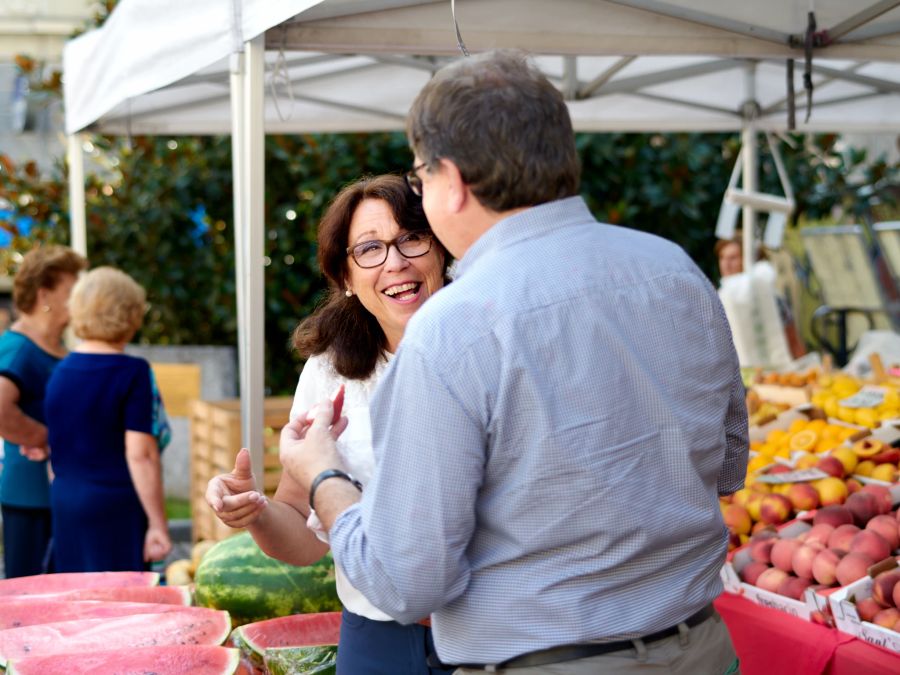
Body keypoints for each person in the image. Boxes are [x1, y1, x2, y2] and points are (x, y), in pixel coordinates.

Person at [280, 50, 748, 674]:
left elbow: (407, 580)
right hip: (701, 649)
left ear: (454, 180)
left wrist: (322, 477)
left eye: (421, 176)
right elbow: (729, 463)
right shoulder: (675, 272)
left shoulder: (451, 330)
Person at [206, 175, 453, 675]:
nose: (395, 261)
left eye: (412, 237)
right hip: (374, 640)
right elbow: (301, 534)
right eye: (370, 249)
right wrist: (255, 512)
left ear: (442, 249)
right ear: (344, 275)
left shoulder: (490, 347)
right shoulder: (329, 372)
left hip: (492, 632)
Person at [44, 266, 171, 572]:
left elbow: (53, 451)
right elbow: (141, 455)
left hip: (65, 501)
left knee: (78, 606)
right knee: (123, 608)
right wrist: (157, 524)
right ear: (131, 315)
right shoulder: (133, 373)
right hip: (116, 507)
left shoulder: (59, 372)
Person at [0, 245, 87, 578]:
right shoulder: (19, 347)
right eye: (71, 290)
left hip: (62, 496)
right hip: (30, 498)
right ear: (45, 294)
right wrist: (48, 439)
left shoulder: (59, 349)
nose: (80, 299)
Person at [715, 235, 807, 362]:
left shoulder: (772, 300)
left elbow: (793, 343)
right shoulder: (718, 301)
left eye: (733, 258)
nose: (726, 264)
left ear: (748, 260)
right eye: (722, 258)